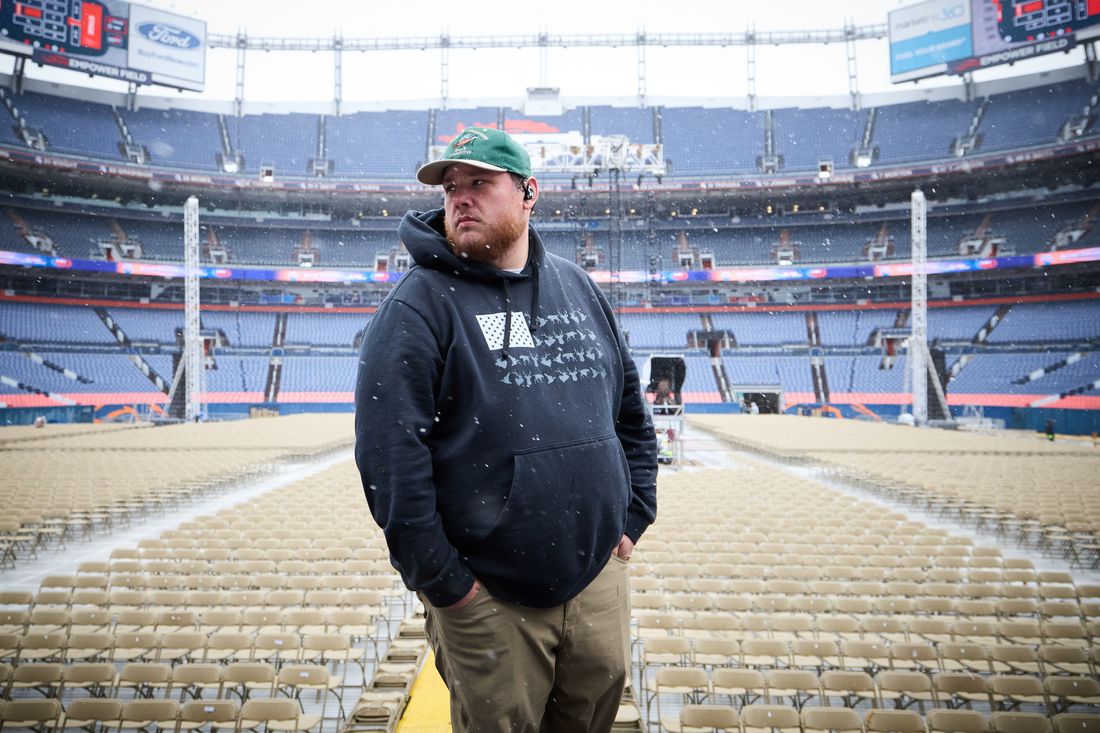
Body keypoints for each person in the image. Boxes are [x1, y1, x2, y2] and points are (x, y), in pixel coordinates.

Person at [354, 126, 658, 733]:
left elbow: (629, 411)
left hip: (596, 576)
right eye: (451, 188)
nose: (460, 198)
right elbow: (390, 461)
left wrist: (633, 516)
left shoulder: (577, 287)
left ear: (528, 193)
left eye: (480, 184)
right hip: (489, 597)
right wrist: (447, 586)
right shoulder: (418, 307)